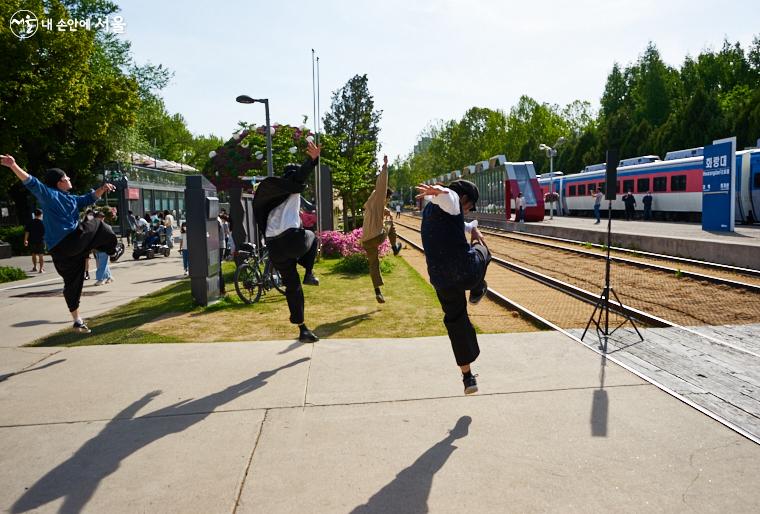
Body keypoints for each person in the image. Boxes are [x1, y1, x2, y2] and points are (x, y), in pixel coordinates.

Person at [1, 154, 117, 333]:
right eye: (66, 178)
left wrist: (103, 188)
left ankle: (77, 320)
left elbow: (88, 198)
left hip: (59, 251)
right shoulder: (49, 194)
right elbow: (32, 182)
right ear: (59, 181)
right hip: (69, 241)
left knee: (73, 283)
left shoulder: (71, 199)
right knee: (99, 224)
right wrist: (13, 166)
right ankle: (112, 251)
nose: (69, 179)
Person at [416, 179, 490, 395]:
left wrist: (472, 228)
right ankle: (477, 289)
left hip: (441, 280)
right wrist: (444, 191)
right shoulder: (453, 199)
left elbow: (457, 218)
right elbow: (450, 198)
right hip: (465, 272)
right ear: (464, 198)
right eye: (470, 206)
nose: (467, 211)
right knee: (484, 252)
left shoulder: (432, 209)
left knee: (456, 322)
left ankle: (468, 378)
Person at [252, 141, 321, 343]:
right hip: (291, 239)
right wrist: (312, 160)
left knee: (293, 287)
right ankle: (309, 272)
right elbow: (300, 176)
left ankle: (302, 329)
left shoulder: (272, 195)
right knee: (312, 237)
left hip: (274, 247)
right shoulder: (293, 188)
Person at [360, 155, 402, 304]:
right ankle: (395, 247)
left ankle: (377, 291)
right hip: (377, 236)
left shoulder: (371, 204)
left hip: (366, 241)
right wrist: (385, 167)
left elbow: (376, 208)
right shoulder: (379, 196)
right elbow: (382, 184)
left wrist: (384, 210)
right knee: (390, 223)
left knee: (373, 264)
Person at [93, 211, 113, 286]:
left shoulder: (106, 227)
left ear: (102, 218)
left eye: (98, 217)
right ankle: (109, 277)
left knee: (101, 264)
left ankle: (100, 279)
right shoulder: (95, 226)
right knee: (103, 264)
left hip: (104, 248)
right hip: (97, 248)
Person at [24, 208, 45, 273]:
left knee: (33, 254)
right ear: (41, 214)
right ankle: (41, 269)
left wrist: (25, 240)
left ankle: (35, 267)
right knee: (41, 255)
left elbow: (27, 232)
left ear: (34, 214)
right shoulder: (43, 222)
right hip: (41, 241)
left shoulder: (30, 222)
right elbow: (45, 233)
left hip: (32, 241)